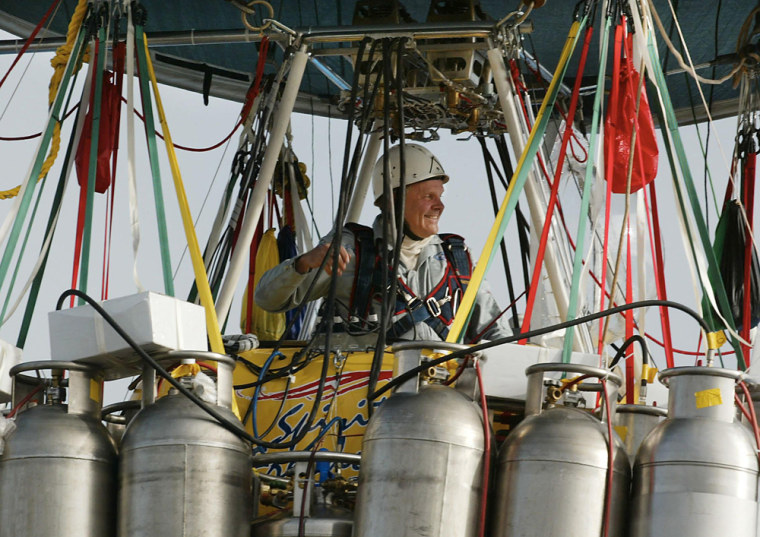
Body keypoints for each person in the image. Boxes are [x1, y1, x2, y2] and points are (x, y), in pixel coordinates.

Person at [255, 143, 512, 343]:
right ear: (393, 200)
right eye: (428, 196)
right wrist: (302, 264)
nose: (439, 205)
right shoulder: (350, 250)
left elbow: (495, 335)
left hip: (440, 400)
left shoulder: (457, 259)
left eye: (440, 196)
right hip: (360, 401)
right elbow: (268, 300)